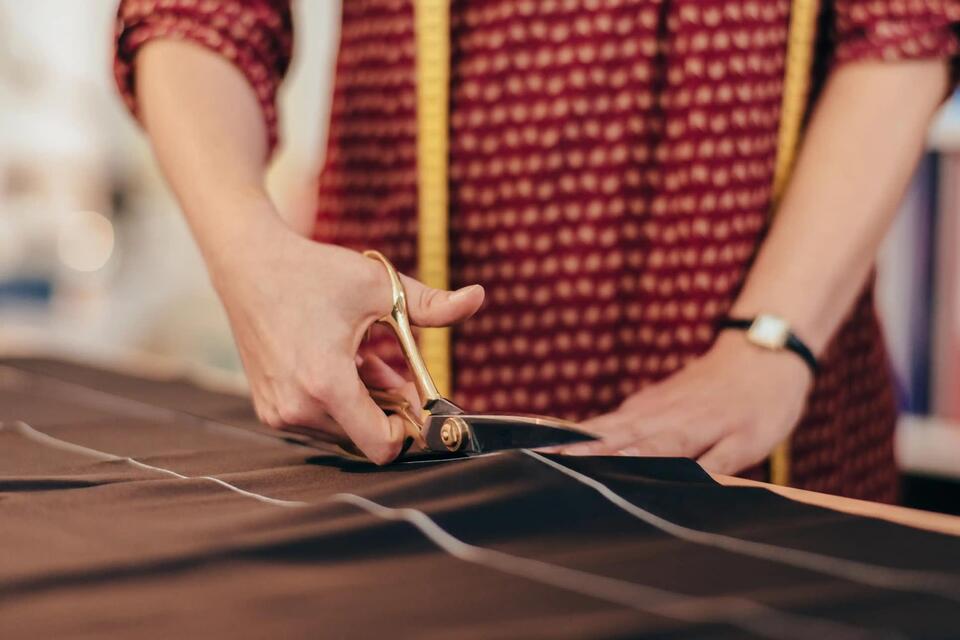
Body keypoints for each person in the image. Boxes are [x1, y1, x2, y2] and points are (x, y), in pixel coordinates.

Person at [113, 0, 959, 501]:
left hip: (775, 415)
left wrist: (770, 341)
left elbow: (905, 23)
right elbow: (200, 11)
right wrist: (247, 253)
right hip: (398, 408)